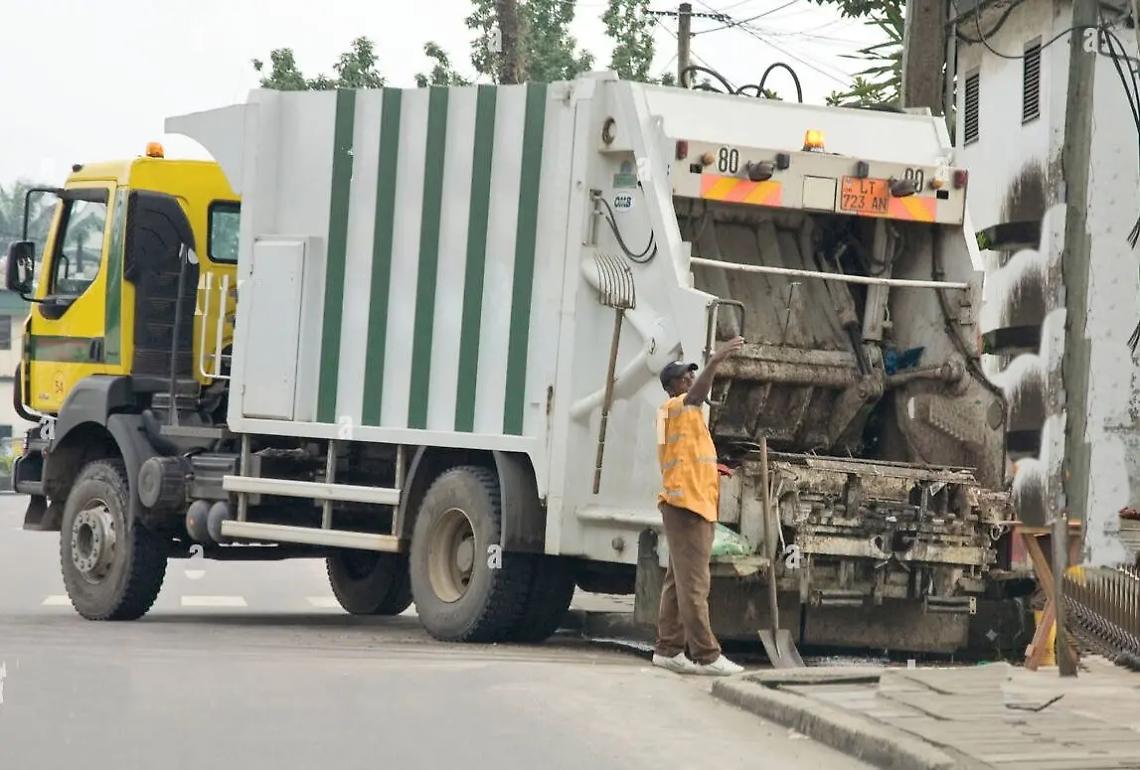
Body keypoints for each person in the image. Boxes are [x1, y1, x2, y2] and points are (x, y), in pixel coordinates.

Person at [651, 336, 746, 676]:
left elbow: (687, 457)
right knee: (695, 586)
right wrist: (717, 360)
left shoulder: (687, 417)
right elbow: (692, 398)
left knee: (678, 582)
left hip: (690, 505)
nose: (691, 380)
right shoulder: (674, 408)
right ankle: (707, 655)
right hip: (686, 507)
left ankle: (668, 649)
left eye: (693, 375)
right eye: (684, 377)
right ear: (670, 387)